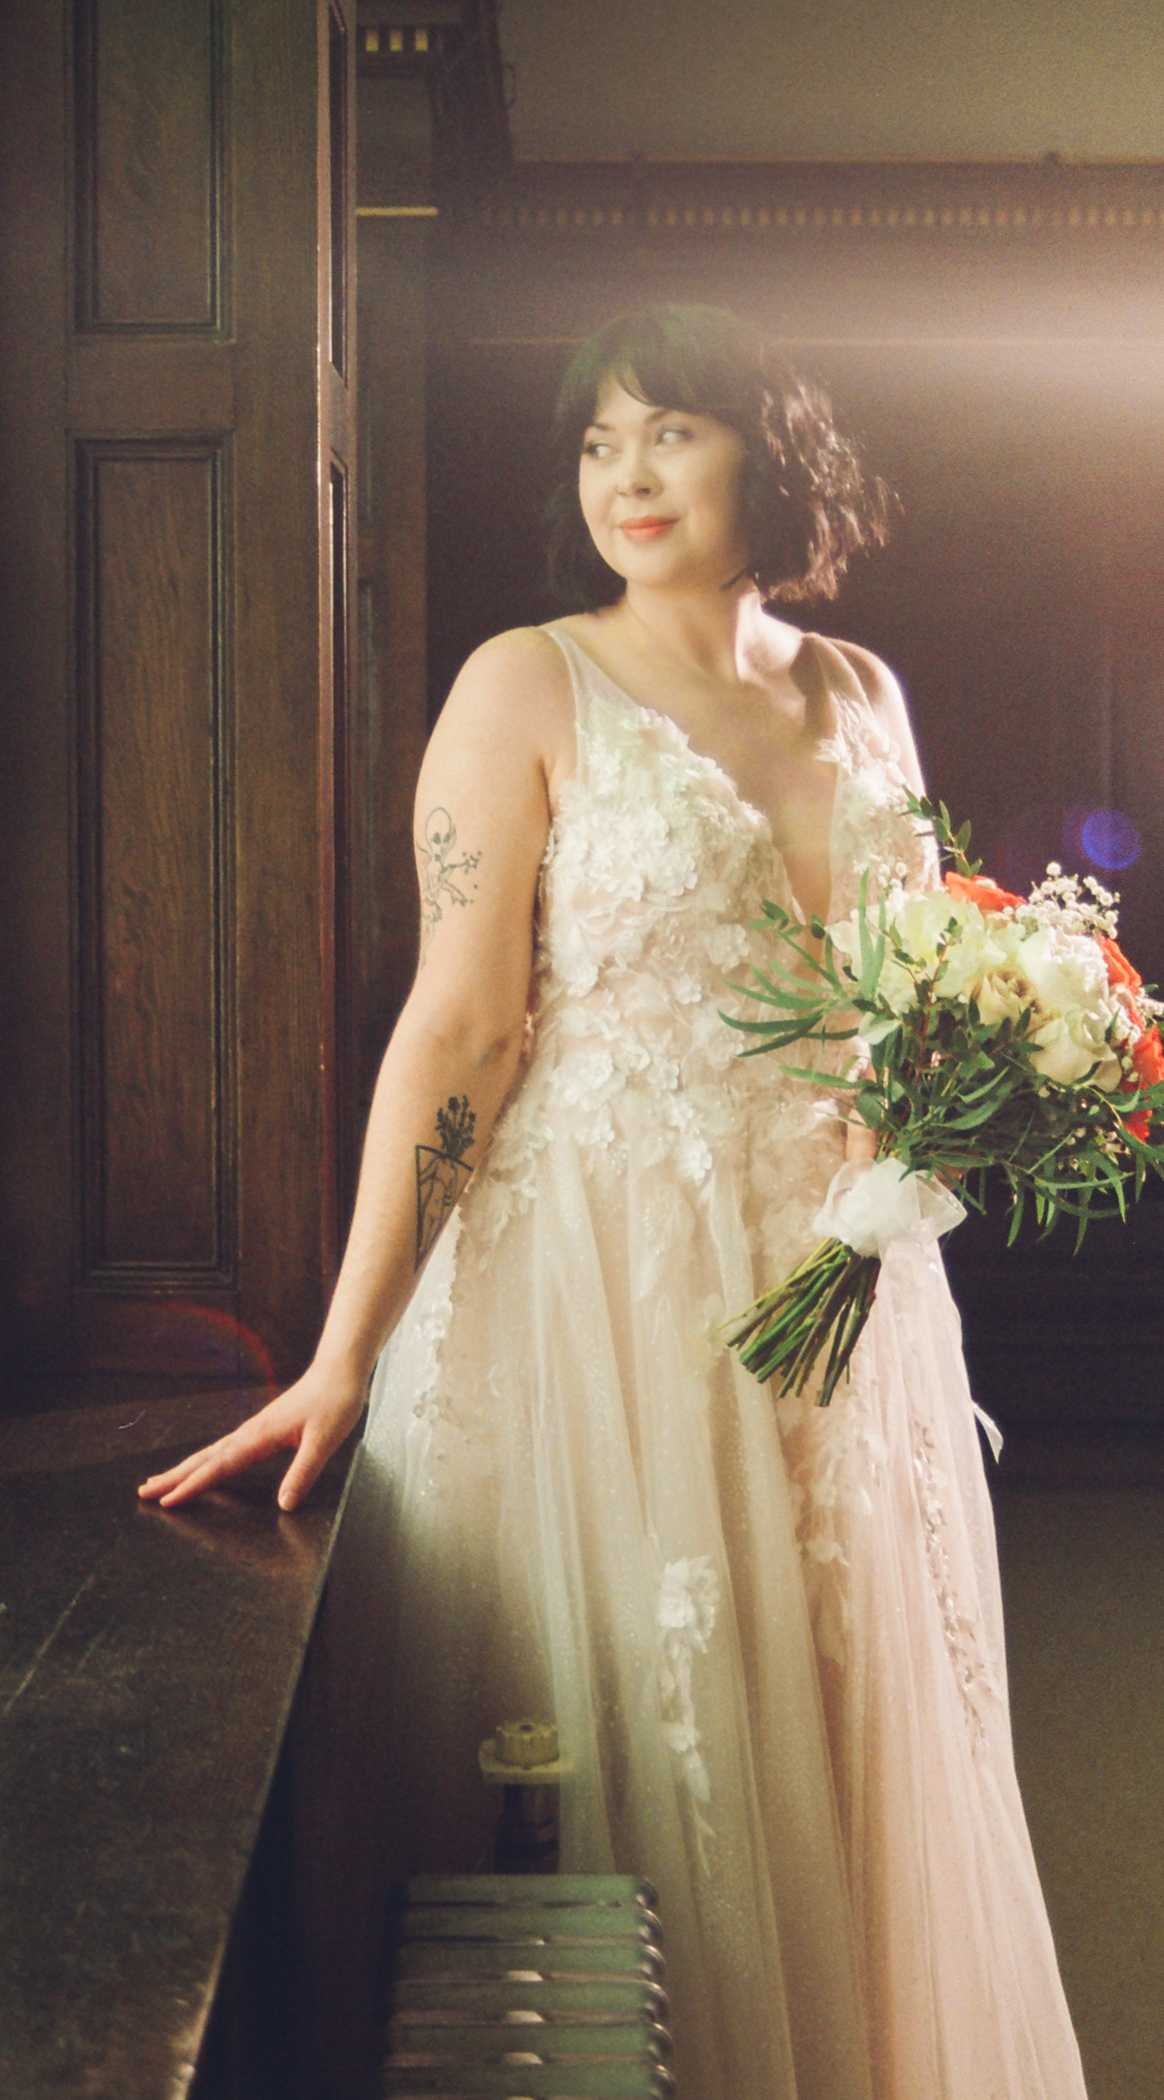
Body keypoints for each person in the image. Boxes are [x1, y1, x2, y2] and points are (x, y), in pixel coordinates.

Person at [140, 306, 1087, 2100]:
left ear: (769, 453)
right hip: (608, 1275)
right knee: (632, 1733)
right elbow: (457, 1030)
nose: (627, 476)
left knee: (852, 1714)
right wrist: (347, 1354)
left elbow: (910, 983)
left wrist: (989, 1085)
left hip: (847, 1275)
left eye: (671, 433)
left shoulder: (861, 688)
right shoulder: (527, 679)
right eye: (597, 443)